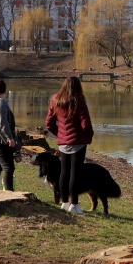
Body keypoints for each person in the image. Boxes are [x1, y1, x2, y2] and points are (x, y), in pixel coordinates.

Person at [46, 76, 94, 215]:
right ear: (78, 87)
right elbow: (86, 123)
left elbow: (49, 123)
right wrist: (89, 136)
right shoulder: (78, 99)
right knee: (75, 174)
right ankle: (74, 205)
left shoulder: (55, 99)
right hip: (78, 143)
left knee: (64, 173)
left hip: (63, 143)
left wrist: (59, 134)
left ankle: (65, 203)